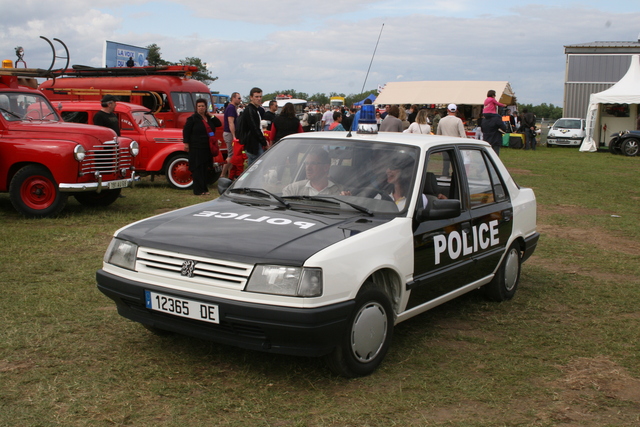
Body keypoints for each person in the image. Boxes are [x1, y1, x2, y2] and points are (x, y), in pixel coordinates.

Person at [182, 98, 222, 195]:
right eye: (199, 106)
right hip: (196, 147)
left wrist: (211, 115)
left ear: (206, 107)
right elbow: (186, 132)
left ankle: (204, 189)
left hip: (207, 146)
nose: (201, 108)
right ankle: (198, 190)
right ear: (196, 107)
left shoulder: (208, 118)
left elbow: (218, 124)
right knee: (198, 168)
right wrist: (186, 143)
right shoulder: (192, 119)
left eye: (203, 106)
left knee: (205, 168)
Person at [237, 87, 269, 165]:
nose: (259, 99)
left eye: (260, 96)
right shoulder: (250, 110)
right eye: (256, 97)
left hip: (255, 143)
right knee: (255, 168)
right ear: (251, 97)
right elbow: (255, 128)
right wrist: (264, 142)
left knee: (256, 167)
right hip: (253, 144)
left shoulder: (255, 109)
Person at [221, 91, 241, 179]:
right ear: (233, 98)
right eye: (239, 98)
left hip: (229, 133)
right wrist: (234, 135)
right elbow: (231, 122)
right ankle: (222, 174)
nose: (240, 100)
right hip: (229, 133)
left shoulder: (232, 108)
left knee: (231, 155)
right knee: (231, 155)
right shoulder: (231, 108)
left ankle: (229, 175)